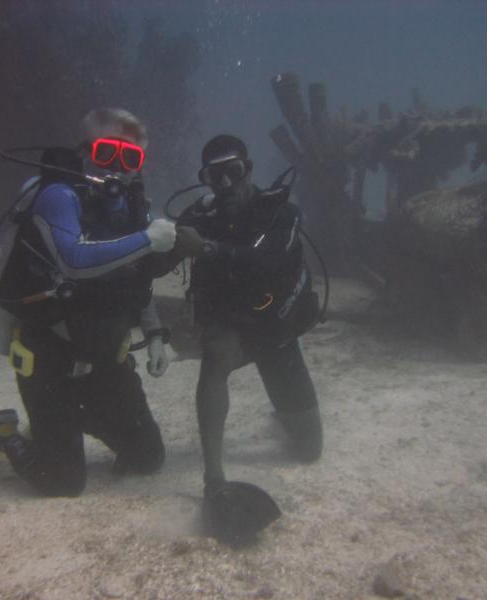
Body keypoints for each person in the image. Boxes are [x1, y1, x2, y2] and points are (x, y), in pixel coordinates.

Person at [0, 108, 177, 497]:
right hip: (50, 366)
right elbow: (74, 260)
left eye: (130, 158)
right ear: (84, 152)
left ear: (139, 167)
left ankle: (71, 421)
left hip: (104, 363)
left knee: (148, 458)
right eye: (106, 153)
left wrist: (153, 334)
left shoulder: (137, 211)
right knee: (62, 482)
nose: (117, 168)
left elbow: (139, 278)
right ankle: (6, 433)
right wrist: (149, 239)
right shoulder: (57, 196)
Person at [173, 134, 323, 544]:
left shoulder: (281, 213)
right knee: (215, 357)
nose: (225, 185)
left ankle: (283, 417)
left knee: (309, 450)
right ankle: (214, 480)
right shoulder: (201, 217)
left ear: (249, 169)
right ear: (204, 179)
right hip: (234, 332)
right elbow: (161, 252)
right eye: (213, 176)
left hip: (275, 333)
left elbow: (268, 262)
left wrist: (205, 248)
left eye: (233, 172)